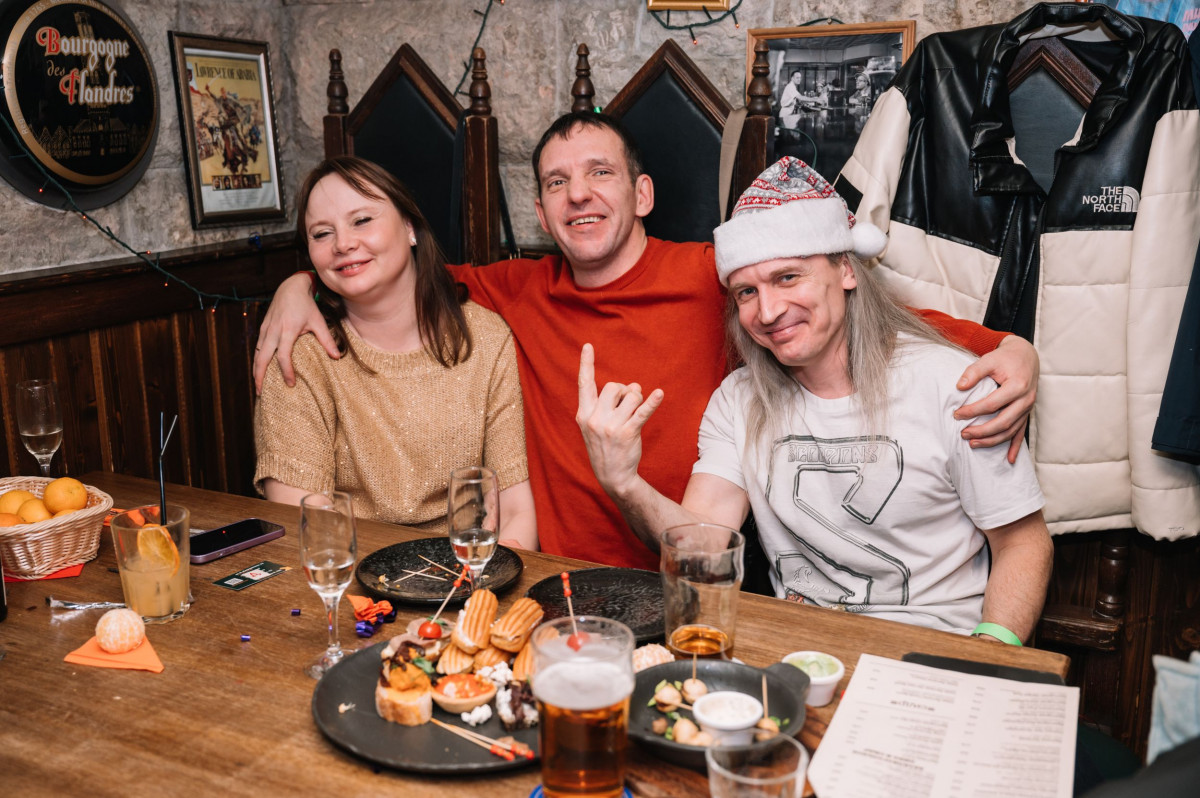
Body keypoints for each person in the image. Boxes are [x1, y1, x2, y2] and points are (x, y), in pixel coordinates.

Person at [253, 112, 1039, 572]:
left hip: (683, 574)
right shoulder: (515, 290)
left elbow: (857, 309)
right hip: (547, 582)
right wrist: (298, 286)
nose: (579, 195)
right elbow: (387, 270)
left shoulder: (720, 277)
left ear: (642, 193)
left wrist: (1010, 347)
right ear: (541, 212)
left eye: (599, 173)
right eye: (557, 183)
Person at [577, 156, 1053, 639]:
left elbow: (1022, 543)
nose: (768, 311)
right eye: (746, 292)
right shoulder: (738, 400)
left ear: (845, 269)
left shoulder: (954, 385)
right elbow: (705, 548)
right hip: (801, 650)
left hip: (933, 648)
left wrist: (994, 654)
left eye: (787, 277)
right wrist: (625, 484)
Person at [254, 156, 536, 548]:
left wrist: (485, 581)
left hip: (469, 570)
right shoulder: (300, 354)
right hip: (353, 571)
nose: (343, 244)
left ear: (409, 227)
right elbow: (309, 523)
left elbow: (516, 509)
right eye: (322, 233)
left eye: (361, 220)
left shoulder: (485, 339)